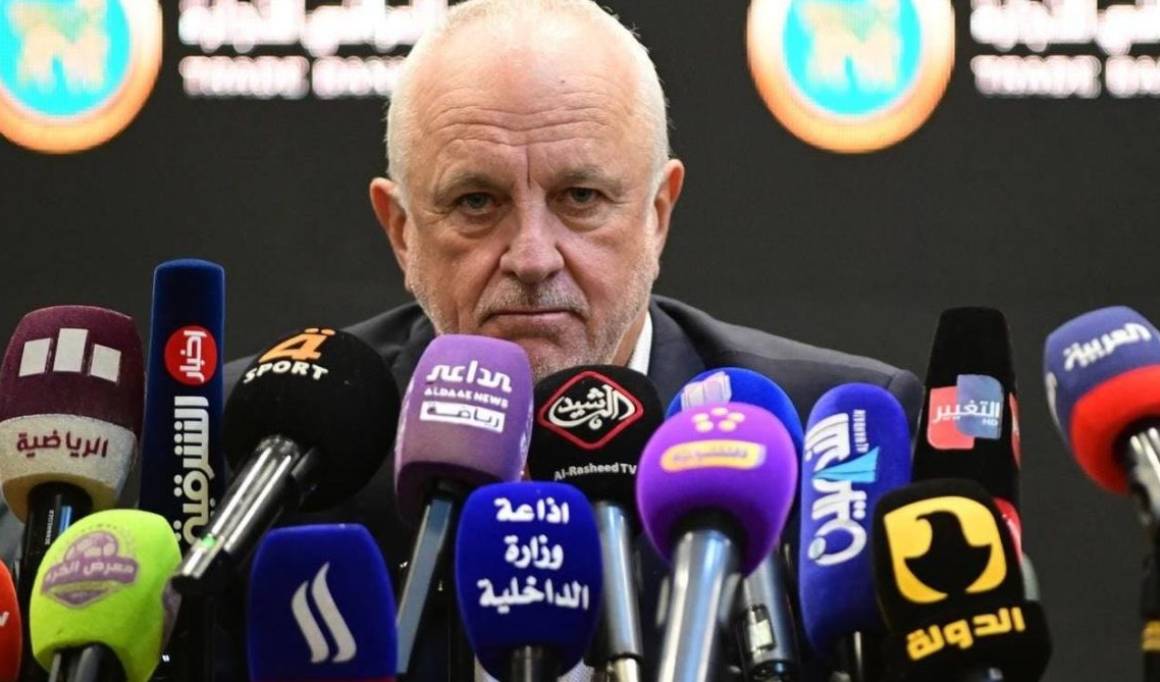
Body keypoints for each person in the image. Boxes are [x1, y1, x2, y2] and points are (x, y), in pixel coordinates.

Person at [225, 0, 922, 679]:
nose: (532, 258)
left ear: (657, 215)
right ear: (402, 231)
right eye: (476, 202)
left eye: (580, 198)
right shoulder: (264, 459)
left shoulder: (834, 440)